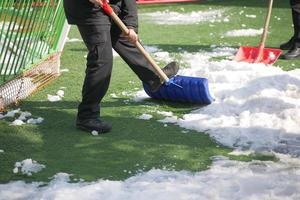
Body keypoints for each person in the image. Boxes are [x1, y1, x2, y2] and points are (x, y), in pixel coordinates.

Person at [63, 0, 179, 133]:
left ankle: (154, 77)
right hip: (89, 9)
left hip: (111, 6)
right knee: (101, 60)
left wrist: (131, 25)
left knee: (127, 40)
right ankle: (87, 116)